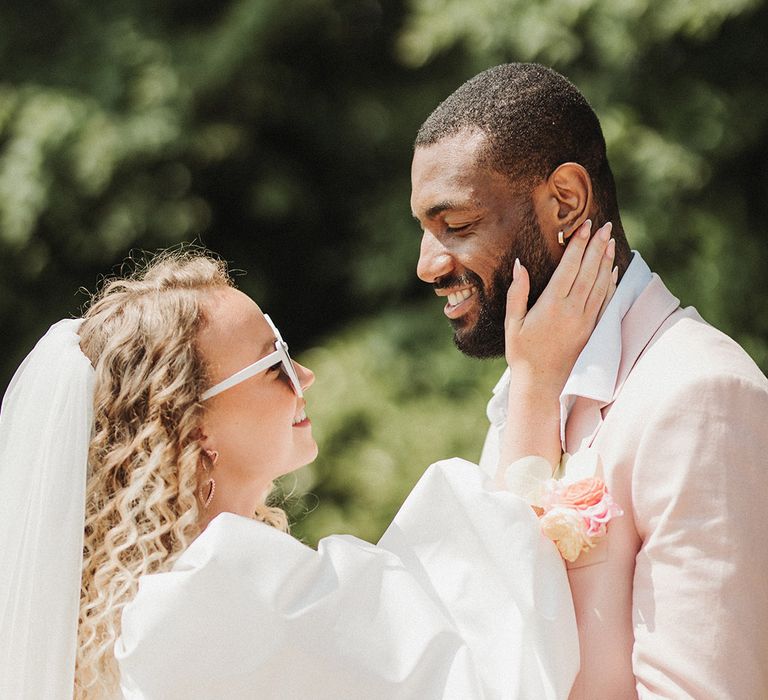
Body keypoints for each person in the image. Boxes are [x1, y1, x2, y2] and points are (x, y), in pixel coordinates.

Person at [0, 236, 615, 699]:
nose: (306, 377)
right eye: (275, 364)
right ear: (194, 428)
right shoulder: (216, 590)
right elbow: (481, 684)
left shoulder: (161, 603)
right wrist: (535, 384)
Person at [411, 62, 768, 699]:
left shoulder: (700, 396)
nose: (427, 264)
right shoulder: (528, 388)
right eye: (425, 230)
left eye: (457, 226)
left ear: (567, 202)